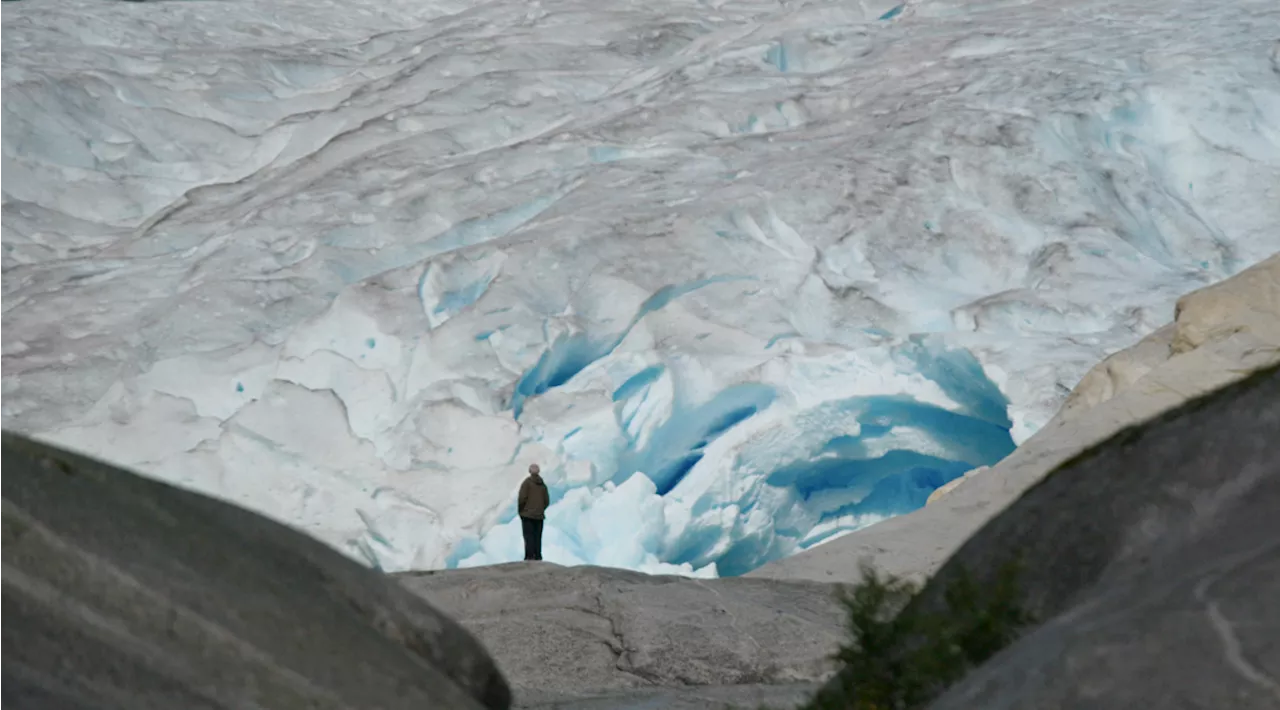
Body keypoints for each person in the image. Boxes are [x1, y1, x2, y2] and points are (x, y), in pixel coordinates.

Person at [517, 463, 550, 561]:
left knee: (528, 536)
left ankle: (529, 556)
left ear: (530, 471)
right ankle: (538, 555)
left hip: (527, 515)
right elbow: (546, 501)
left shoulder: (527, 483)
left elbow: (522, 498)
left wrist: (521, 510)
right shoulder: (542, 485)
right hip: (539, 516)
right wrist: (540, 509)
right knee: (537, 536)